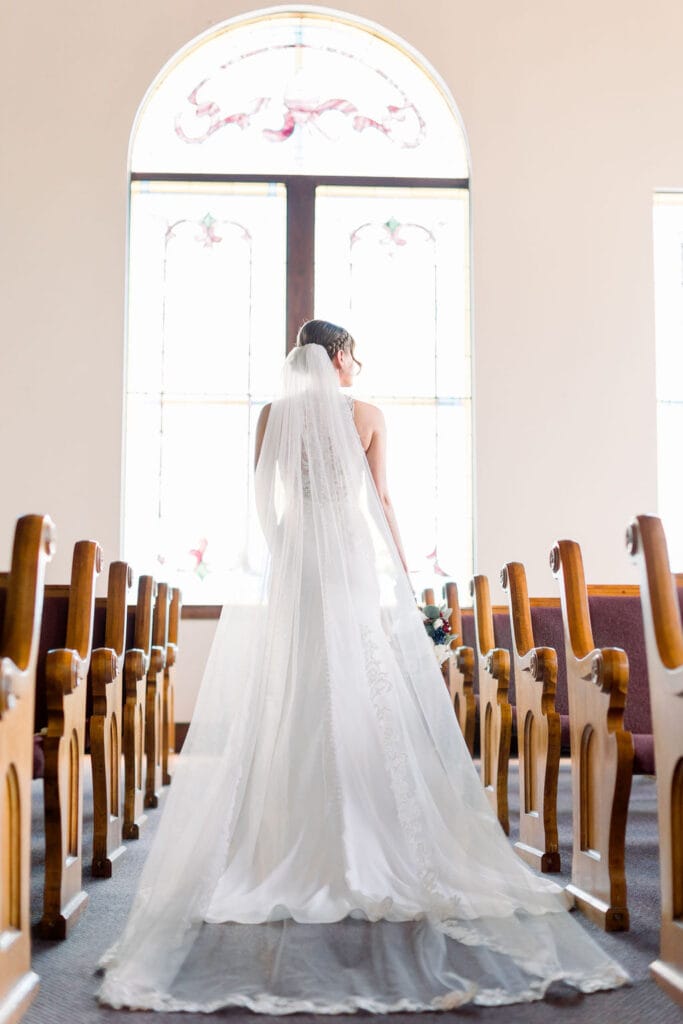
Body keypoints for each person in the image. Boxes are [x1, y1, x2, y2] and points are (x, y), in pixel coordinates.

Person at [96, 320, 629, 1013]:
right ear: (338, 357)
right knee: (352, 677)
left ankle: (287, 830)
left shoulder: (272, 416)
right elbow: (379, 502)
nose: (353, 366)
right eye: (352, 355)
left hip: (296, 559)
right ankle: (366, 824)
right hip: (347, 555)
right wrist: (402, 576)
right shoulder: (368, 416)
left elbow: (263, 498)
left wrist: (285, 545)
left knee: (298, 680)